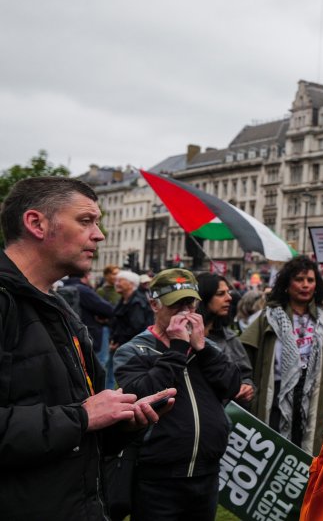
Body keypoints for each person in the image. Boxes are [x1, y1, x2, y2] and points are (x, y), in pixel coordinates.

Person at [0, 177, 171, 519]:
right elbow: (77, 418)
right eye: (85, 221)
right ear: (36, 223)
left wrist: (119, 424)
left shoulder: (61, 310)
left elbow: (76, 432)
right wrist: (82, 417)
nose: (99, 234)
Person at [114, 268, 241, 520]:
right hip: (158, 476)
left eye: (189, 305)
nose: (184, 313)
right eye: (175, 305)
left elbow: (231, 386)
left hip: (206, 472)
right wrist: (178, 348)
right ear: (154, 304)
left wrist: (202, 349)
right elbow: (141, 395)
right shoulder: (134, 350)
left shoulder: (206, 346)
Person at [241, 255, 323, 454]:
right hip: (274, 396)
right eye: (299, 279)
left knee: (305, 452)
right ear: (287, 284)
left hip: (312, 396)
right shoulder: (268, 318)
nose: (305, 285)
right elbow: (245, 357)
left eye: (310, 280)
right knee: (271, 448)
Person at [196, 272, 255, 406]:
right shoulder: (182, 337)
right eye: (220, 294)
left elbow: (245, 375)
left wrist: (246, 386)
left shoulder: (230, 337)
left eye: (228, 292)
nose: (229, 298)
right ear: (203, 297)